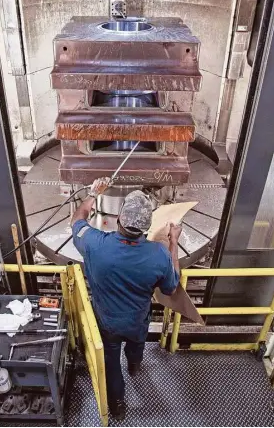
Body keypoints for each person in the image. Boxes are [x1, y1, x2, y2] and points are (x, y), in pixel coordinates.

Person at [71, 177, 182, 420]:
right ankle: (134, 366)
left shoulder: (95, 244)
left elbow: (77, 222)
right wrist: (173, 241)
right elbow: (172, 288)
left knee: (111, 362)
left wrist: (92, 194)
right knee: (136, 345)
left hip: (107, 322)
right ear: (147, 227)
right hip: (137, 321)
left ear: (119, 219)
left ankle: (118, 407)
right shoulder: (158, 254)